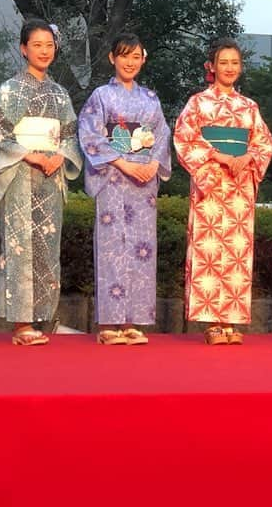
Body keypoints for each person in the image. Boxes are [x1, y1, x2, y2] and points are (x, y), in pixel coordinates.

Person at [0, 20, 82, 346]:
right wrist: (31, 154)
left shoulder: (60, 94)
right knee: (20, 247)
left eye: (49, 45)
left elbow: (70, 135)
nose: (44, 51)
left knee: (47, 247)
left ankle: (47, 319)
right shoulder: (8, 90)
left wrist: (61, 155)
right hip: (21, 176)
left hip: (50, 178)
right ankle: (22, 324)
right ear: (23, 48)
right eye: (37, 45)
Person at [173, 38, 272, 345]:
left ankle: (231, 318)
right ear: (212, 67)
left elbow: (264, 142)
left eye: (234, 63)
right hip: (211, 184)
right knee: (210, 251)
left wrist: (248, 156)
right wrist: (218, 156)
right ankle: (211, 321)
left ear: (240, 68)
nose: (229, 68)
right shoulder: (198, 103)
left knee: (237, 252)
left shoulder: (249, 107)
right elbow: (184, 137)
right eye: (223, 63)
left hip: (240, 184)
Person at [78, 34, 171, 346]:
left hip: (143, 181)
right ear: (112, 59)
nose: (130, 62)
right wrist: (124, 163)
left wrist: (153, 165)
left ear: (143, 59)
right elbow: (91, 134)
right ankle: (109, 322)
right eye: (124, 56)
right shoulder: (101, 96)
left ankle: (133, 321)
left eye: (135, 56)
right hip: (114, 178)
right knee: (111, 246)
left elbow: (161, 135)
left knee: (142, 249)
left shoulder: (150, 99)